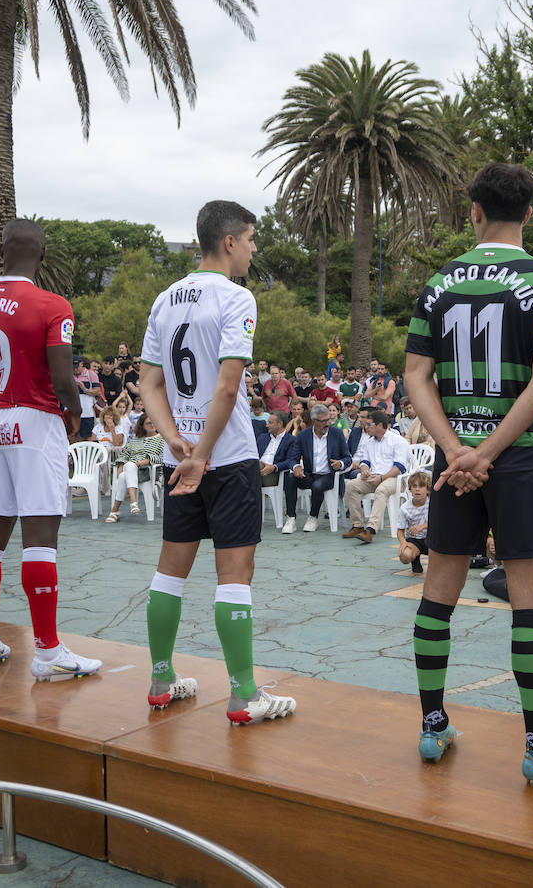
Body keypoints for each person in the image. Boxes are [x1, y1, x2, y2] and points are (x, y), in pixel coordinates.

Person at [404, 162, 533, 782]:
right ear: (531, 213)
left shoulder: (438, 283)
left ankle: (433, 727)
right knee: (531, 600)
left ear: (473, 212)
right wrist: (487, 454)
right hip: (514, 460)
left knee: (438, 590)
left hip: (452, 461)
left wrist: (458, 451)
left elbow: (415, 376)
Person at [137, 199, 295, 722]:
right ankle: (244, 694)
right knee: (234, 576)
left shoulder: (163, 299)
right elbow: (228, 386)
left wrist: (175, 441)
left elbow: (149, 383)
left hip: (178, 458)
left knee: (169, 573)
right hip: (222, 458)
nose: (253, 249)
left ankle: (161, 678)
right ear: (229, 241)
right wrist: (203, 453)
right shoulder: (236, 298)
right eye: (251, 239)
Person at [0, 219, 102, 679]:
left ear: (0, 251)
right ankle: (47, 651)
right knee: (40, 540)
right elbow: (64, 378)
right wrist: (75, 411)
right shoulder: (52, 304)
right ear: (42, 256)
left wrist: (1, 397)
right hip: (37, 420)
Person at [342, 409, 409, 542]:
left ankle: (371, 530)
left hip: (394, 479)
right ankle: (358, 526)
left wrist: (381, 478)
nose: (366, 427)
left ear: (379, 425)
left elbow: (399, 467)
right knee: (351, 486)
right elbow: (364, 461)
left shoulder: (397, 440)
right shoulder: (369, 441)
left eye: (369, 424)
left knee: (381, 489)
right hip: (374, 477)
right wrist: (364, 469)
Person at [283, 403, 351, 534]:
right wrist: (296, 466)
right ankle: (291, 518)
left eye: (328, 420)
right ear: (314, 421)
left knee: (318, 485)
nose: (326, 423)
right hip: (309, 473)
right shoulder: (303, 436)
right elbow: (293, 458)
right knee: (291, 478)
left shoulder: (336, 434)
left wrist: (340, 464)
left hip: (328, 476)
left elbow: (348, 457)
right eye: (323, 421)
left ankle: (313, 517)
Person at [106, 414, 165, 522]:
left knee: (126, 471)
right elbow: (124, 455)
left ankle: (116, 510)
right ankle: (131, 504)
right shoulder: (135, 440)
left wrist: (147, 460)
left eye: (153, 422)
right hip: (131, 471)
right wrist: (120, 465)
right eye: (148, 423)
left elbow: (163, 457)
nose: (152, 425)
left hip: (149, 472)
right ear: (142, 425)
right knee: (127, 468)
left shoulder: (161, 439)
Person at [397, 472, 431, 573]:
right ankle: (415, 559)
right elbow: (400, 530)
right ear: (410, 489)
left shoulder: (433, 504)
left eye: (421, 486)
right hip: (414, 540)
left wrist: (422, 526)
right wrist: (403, 543)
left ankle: (436, 561)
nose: (417, 489)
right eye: (414, 486)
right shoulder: (404, 508)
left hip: (432, 538)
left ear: (428, 490)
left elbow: (442, 523)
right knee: (405, 556)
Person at [256, 410, 298, 492]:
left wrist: (274, 467)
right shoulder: (262, 437)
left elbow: (291, 460)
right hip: (257, 471)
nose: (267, 425)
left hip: (273, 474)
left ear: (280, 424)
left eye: (270, 423)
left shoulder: (291, 440)